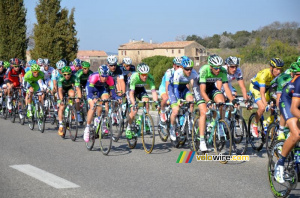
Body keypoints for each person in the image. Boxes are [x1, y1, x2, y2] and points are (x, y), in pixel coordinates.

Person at [192, 54, 237, 151]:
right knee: (204, 111)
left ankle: (217, 123)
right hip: (199, 88)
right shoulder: (205, 70)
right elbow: (203, 91)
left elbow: (226, 88)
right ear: (211, 67)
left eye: (219, 68)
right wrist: (208, 101)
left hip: (211, 87)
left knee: (221, 102)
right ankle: (202, 141)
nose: (218, 70)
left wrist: (233, 100)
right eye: (216, 68)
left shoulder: (223, 71)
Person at [274, 62, 300, 184]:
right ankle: (280, 164)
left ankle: (297, 153)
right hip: (288, 101)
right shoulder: (299, 81)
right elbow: (294, 109)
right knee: (296, 134)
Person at [83, 65, 120, 142]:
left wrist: (117, 98)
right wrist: (93, 97)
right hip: (91, 89)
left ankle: (103, 121)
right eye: (103, 76)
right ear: (99, 74)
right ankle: (87, 127)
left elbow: (113, 94)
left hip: (101, 89)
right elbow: (89, 92)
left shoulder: (109, 79)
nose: (104, 78)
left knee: (106, 100)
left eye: (106, 77)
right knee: (93, 106)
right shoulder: (94, 77)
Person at [249, 58, 283, 137]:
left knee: (274, 104)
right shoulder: (264, 74)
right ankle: (254, 124)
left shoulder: (279, 76)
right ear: (271, 68)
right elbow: (261, 92)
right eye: (277, 69)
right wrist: (265, 104)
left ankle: (267, 123)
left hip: (268, 89)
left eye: (280, 69)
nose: (279, 72)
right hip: (256, 88)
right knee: (262, 107)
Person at [125, 63, 159, 139]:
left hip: (140, 89)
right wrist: (133, 104)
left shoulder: (150, 78)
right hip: (131, 90)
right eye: (143, 75)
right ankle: (128, 127)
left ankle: (146, 119)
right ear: (139, 73)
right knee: (134, 110)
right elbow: (131, 93)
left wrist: (156, 102)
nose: (145, 76)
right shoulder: (134, 77)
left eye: (146, 74)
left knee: (146, 101)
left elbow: (153, 91)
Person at [168, 56, 197, 141]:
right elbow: (175, 89)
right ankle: (172, 128)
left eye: (191, 69)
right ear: (182, 68)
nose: (189, 71)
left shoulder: (194, 73)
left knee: (191, 101)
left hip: (184, 88)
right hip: (173, 89)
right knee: (176, 110)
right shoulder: (178, 73)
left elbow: (196, 86)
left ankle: (189, 120)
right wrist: (178, 99)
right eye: (187, 69)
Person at [57, 66, 82, 136]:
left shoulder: (75, 77)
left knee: (72, 94)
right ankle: (61, 125)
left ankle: (70, 108)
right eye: (65, 74)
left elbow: (78, 88)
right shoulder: (60, 78)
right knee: (61, 106)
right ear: (62, 74)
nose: (67, 76)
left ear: (71, 74)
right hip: (62, 90)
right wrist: (61, 100)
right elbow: (59, 90)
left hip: (69, 89)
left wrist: (79, 98)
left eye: (68, 74)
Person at [269, 67, 293, 140]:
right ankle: (281, 131)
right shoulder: (284, 78)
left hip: (286, 90)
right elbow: (279, 96)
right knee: (284, 106)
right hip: (274, 89)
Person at [158, 57, 181, 124]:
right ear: (173, 65)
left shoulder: (182, 72)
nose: (179, 68)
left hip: (174, 88)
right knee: (166, 98)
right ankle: (162, 112)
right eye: (177, 66)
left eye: (181, 66)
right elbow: (167, 86)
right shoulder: (169, 72)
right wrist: (169, 98)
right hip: (164, 88)